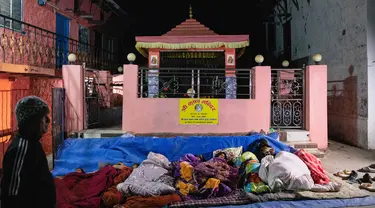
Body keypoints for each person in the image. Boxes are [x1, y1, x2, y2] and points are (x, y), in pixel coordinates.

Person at [1, 96, 56, 208]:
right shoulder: (21, 149)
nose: (48, 120)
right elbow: (11, 194)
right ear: (33, 121)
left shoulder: (33, 144)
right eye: (44, 116)